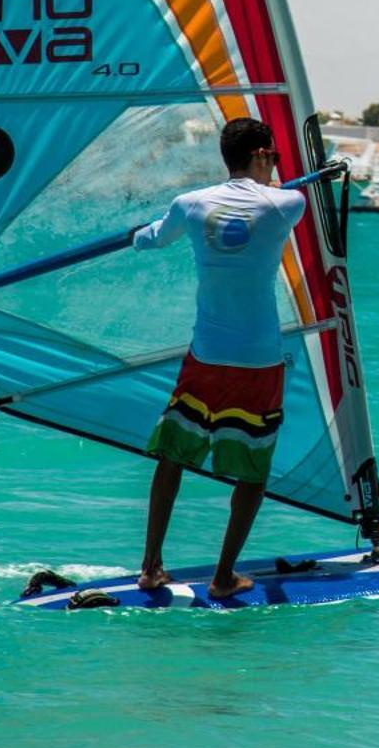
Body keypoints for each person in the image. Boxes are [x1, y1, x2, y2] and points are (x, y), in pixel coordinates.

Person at [130, 116, 309, 599]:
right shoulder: (288, 203)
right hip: (258, 361)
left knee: (173, 456)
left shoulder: (189, 205)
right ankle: (224, 575)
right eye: (270, 155)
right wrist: (271, 175)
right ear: (262, 155)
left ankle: (151, 566)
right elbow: (276, 197)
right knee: (253, 470)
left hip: (206, 355)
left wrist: (136, 234)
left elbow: (151, 239)